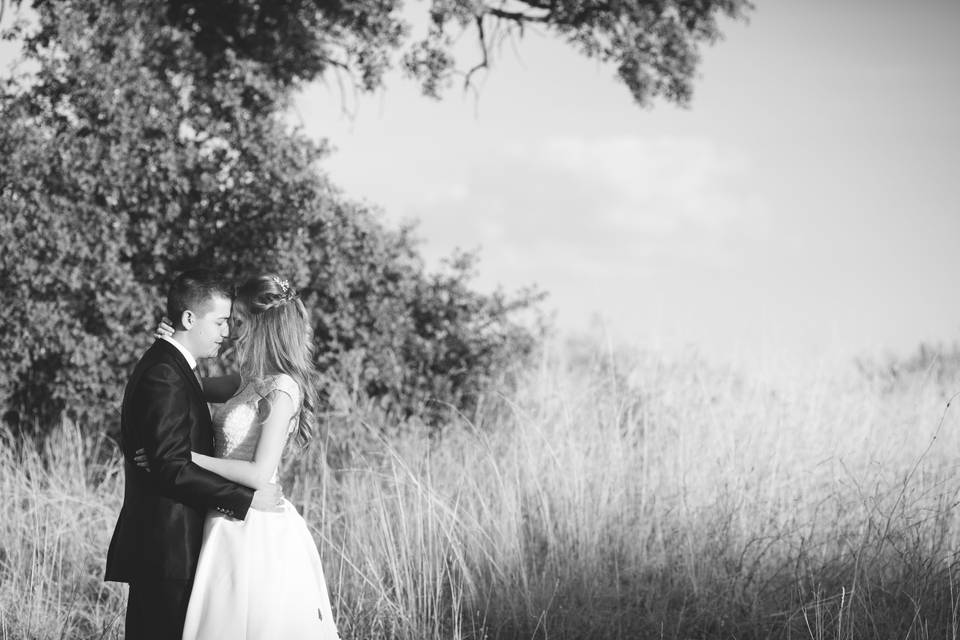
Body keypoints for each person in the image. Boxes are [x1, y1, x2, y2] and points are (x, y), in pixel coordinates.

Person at [141, 274, 341, 640]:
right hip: (222, 515)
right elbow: (187, 386)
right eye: (229, 322)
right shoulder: (248, 379)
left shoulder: (283, 389)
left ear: (263, 327)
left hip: (255, 523)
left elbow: (258, 473)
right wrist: (171, 345)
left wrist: (185, 457)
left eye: (240, 322)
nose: (233, 331)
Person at [104, 269, 285, 640]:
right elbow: (170, 466)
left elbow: (171, 453)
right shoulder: (164, 373)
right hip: (169, 549)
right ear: (189, 319)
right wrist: (246, 499)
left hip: (184, 544)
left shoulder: (173, 368)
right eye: (220, 321)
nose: (227, 332)